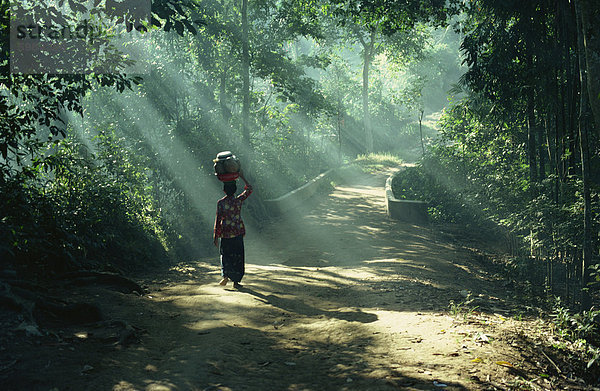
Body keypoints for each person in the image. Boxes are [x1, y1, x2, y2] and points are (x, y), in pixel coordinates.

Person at [213, 172, 252, 289]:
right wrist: (242, 177)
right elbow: (249, 189)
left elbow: (218, 220)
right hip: (238, 232)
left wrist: (215, 236)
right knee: (238, 256)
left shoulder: (221, 203)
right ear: (235, 190)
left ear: (224, 191)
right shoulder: (238, 201)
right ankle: (236, 282)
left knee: (225, 255)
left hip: (225, 234)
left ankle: (225, 275)